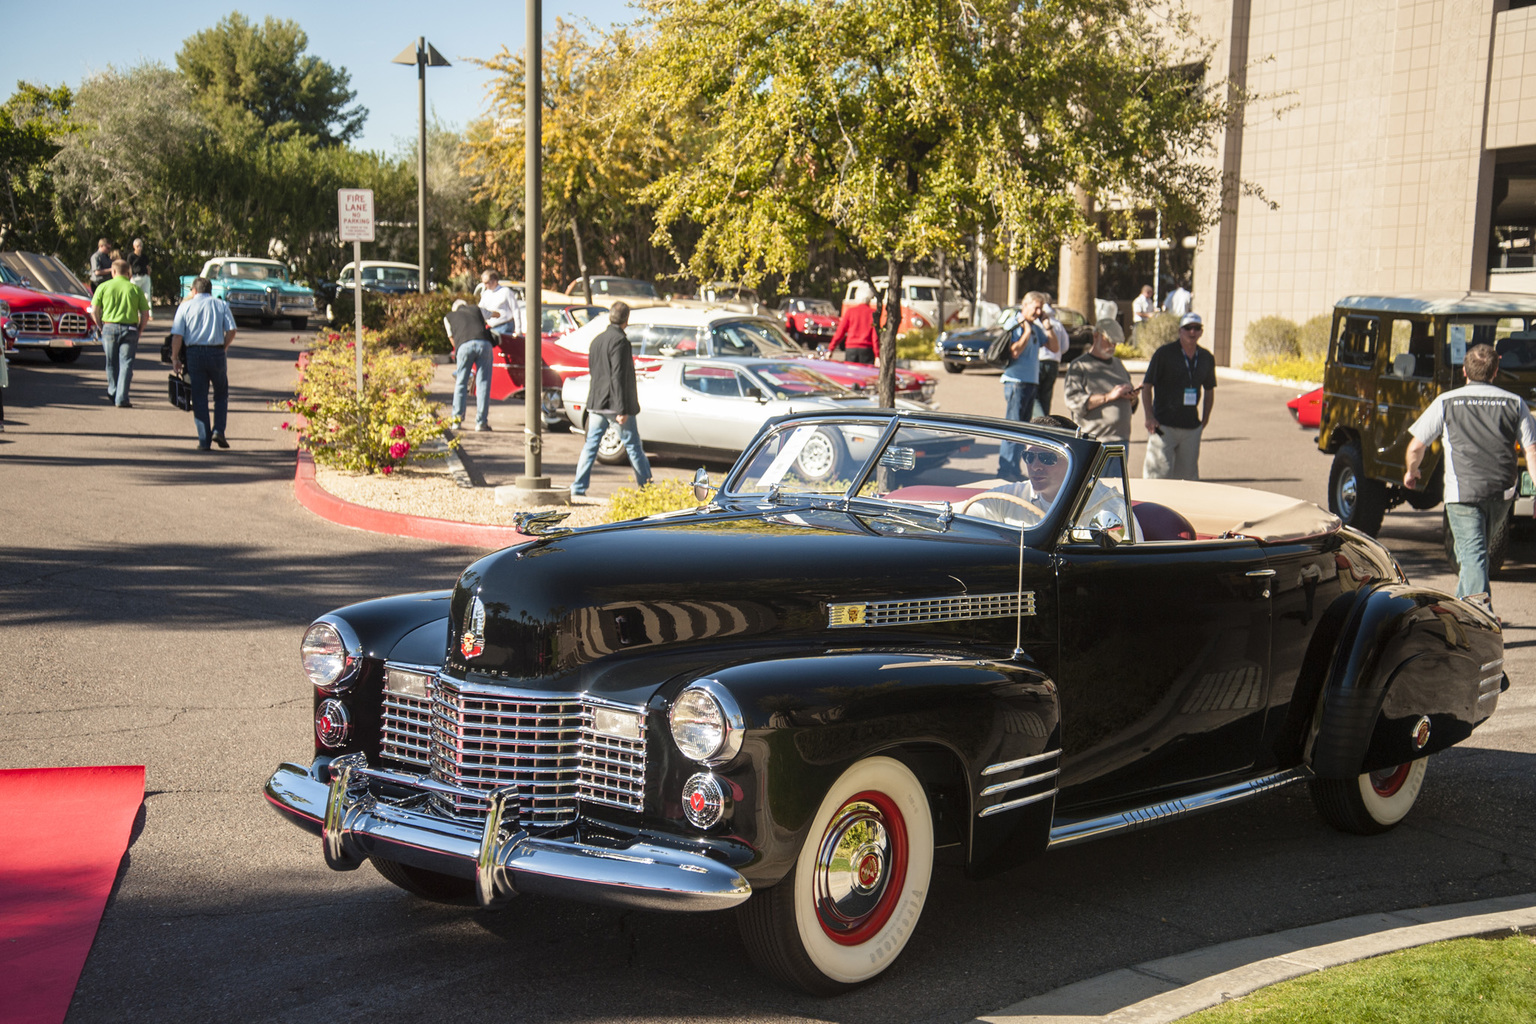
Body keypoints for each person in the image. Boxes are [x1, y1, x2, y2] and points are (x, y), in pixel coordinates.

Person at [1405, 342, 1536, 612]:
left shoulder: (1446, 401)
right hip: (1502, 494)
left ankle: (1480, 617)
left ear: (1464, 371)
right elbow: (1532, 451)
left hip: (1462, 494)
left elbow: (1416, 446)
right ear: (1496, 370)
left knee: (1473, 556)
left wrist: (1411, 471)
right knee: (1474, 555)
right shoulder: (1515, 403)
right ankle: (1455, 617)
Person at [571, 301, 651, 496]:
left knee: (590, 446)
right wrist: (622, 409)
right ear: (626, 319)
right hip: (615, 405)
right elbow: (618, 376)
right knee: (633, 447)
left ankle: (578, 487)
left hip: (597, 402)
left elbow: (596, 372)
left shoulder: (597, 340)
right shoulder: (621, 342)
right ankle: (647, 488)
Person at [1141, 311, 1216, 480]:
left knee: (1187, 479)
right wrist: (1149, 416)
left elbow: (1209, 389)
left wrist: (1204, 420)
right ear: (1180, 331)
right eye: (1188, 328)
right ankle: (1152, 506)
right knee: (1158, 476)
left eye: (1196, 328)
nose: (1192, 332)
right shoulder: (1164, 354)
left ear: (1201, 332)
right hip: (1163, 426)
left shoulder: (1205, 357)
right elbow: (1147, 385)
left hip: (1191, 428)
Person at [169, 277, 237, 451]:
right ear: (210, 290)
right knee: (221, 393)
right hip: (216, 352)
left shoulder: (185, 306)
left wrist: (175, 357)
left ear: (194, 291)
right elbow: (232, 330)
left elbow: (177, 335)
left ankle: (204, 440)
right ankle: (219, 430)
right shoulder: (221, 305)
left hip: (194, 353)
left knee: (199, 396)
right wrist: (224, 346)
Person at [997, 291, 1058, 480]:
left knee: (1022, 429)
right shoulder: (1015, 324)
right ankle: (1005, 469)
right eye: (1036, 307)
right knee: (1013, 426)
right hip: (1016, 382)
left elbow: (1054, 347)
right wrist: (1027, 332)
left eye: (1041, 308)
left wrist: (1047, 325)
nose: (1039, 311)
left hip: (1031, 383)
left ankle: (1014, 469)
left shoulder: (1035, 326)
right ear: (1025, 305)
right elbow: (1014, 352)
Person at [1063, 319, 1138, 442]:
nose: (1112, 345)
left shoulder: (1118, 364)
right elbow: (1074, 402)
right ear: (1096, 336)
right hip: (1095, 440)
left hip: (1121, 440)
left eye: (1115, 342)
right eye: (1109, 341)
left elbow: (1131, 404)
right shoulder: (1079, 365)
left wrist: (1132, 398)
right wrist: (1108, 396)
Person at [91, 259, 150, 408]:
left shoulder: (103, 287)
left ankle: (113, 390)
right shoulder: (135, 289)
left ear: (113, 271)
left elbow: (94, 310)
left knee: (111, 363)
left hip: (109, 327)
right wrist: (140, 329)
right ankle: (122, 397)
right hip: (130, 329)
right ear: (128, 272)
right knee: (126, 364)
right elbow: (145, 313)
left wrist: (100, 326)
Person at [444, 298, 495, 432]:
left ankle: (456, 421)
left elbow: (452, 340)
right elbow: (493, 315)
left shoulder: (449, 317)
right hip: (484, 344)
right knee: (483, 383)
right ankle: (481, 423)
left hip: (464, 346)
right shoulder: (476, 309)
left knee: (461, 382)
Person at [1035, 301, 1068, 416]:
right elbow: (1065, 346)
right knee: (1046, 396)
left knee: (1035, 397)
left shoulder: (1036, 324)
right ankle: (1045, 421)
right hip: (1054, 362)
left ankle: (1040, 421)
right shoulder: (1058, 324)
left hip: (1038, 362)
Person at [830, 292, 879, 364]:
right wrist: (877, 355)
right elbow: (875, 336)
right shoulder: (873, 313)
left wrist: (831, 348)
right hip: (866, 349)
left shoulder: (850, 311)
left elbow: (840, 331)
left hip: (851, 348)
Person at [478, 270, 524, 336]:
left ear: (495, 280)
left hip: (505, 327)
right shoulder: (485, 294)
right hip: (491, 328)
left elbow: (515, 310)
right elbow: (480, 310)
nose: (485, 285)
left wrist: (518, 330)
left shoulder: (505, 292)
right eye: (484, 283)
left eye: (487, 283)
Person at [128, 239, 153, 320]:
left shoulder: (144, 256)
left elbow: (147, 266)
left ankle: (149, 314)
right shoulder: (131, 256)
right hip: (135, 277)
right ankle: (137, 314)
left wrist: (148, 273)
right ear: (134, 246)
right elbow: (129, 266)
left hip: (145, 277)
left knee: (147, 296)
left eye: (141, 246)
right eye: (138, 246)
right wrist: (130, 275)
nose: (139, 248)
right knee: (135, 296)